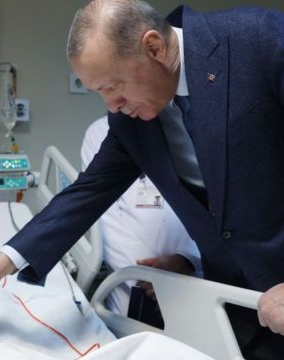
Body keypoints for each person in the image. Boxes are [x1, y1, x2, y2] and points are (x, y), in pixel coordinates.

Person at [0, 1, 284, 358]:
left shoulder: (256, 39)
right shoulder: (131, 123)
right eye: (99, 93)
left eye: (112, 88)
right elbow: (87, 192)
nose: (111, 106)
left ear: (154, 47)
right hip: (242, 307)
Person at [81, 115, 201, 317]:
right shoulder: (100, 131)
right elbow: (106, 221)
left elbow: (215, 211)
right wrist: (145, 277)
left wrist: (188, 258)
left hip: (198, 276)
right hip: (133, 284)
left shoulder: (194, 126)